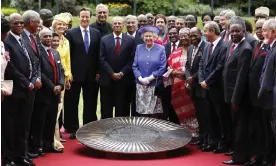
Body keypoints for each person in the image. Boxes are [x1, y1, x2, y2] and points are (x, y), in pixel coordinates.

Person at [2, 13, 37, 166]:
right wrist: (25, 82)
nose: (20, 26)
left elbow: (35, 60)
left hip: (29, 90)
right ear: (10, 25)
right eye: (16, 23)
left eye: (22, 23)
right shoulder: (6, 42)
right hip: (14, 91)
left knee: (24, 125)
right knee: (11, 126)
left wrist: (35, 79)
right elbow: (10, 68)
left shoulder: (25, 39)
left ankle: (21, 156)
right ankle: (9, 158)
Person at [64, 8, 101, 139]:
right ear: (78, 18)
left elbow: (98, 55)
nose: (84, 19)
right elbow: (68, 55)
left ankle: (88, 126)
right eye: (82, 17)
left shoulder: (96, 33)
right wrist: (69, 73)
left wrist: (98, 71)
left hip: (91, 75)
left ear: (90, 18)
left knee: (90, 102)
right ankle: (73, 128)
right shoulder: (70, 33)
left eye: (87, 17)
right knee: (72, 102)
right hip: (75, 74)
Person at [222, 16, 252, 165]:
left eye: (237, 31)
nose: (234, 34)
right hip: (229, 95)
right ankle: (240, 155)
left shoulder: (245, 49)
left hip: (238, 98)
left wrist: (235, 99)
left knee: (240, 128)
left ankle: (239, 158)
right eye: (231, 31)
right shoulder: (231, 46)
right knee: (235, 127)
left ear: (244, 32)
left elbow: (241, 76)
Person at [30, 28, 64, 156]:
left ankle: (49, 144)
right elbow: (40, 73)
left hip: (56, 93)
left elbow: (60, 70)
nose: (49, 39)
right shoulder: (37, 53)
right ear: (40, 38)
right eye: (45, 36)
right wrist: (52, 86)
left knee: (51, 119)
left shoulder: (55, 53)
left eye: (50, 36)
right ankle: (39, 146)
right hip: (44, 93)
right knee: (40, 121)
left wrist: (60, 85)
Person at [199, 21, 229, 153]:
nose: (203, 33)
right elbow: (201, 64)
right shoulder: (206, 46)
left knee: (221, 117)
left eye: (205, 30)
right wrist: (201, 80)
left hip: (217, 88)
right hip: (205, 88)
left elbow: (220, 67)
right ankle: (214, 141)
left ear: (212, 31)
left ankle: (223, 142)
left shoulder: (224, 46)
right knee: (210, 116)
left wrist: (208, 81)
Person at [99, 16, 136, 119]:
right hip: (108, 79)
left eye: (119, 23)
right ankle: (106, 130)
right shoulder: (104, 40)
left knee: (122, 107)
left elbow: (132, 59)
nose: (117, 25)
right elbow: (101, 59)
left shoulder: (131, 40)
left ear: (123, 26)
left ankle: (121, 131)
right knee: (106, 107)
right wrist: (112, 73)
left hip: (124, 80)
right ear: (112, 26)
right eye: (115, 23)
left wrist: (122, 73)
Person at [166, 28, 198, 137]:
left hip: (191, 85)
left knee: (193, 110)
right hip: (178, 87)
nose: (184, 38)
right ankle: (185, 133)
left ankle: (195, 133)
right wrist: (174, 71)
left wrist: (185, 75)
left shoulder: (194, 50)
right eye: (182, 36)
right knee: (181, 111)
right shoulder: (176, 52)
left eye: (186, 35)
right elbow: (169, 67)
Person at [245, 19, 268, 166]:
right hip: (253, 96)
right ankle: (259, 156)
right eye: (257, 28)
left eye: (262, 29)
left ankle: (267, 158)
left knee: (266, 130)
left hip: (265, 96)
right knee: (257, 128)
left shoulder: (270, 47)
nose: (259, 31)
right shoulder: (256, 45)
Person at [133, 25, 166, 119]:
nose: (148, 38)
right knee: (142, 112)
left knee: (154, 113)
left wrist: (150, 78)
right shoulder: (139, 48)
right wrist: (140, 78)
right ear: (143, 37)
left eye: (150, 36)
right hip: (141, 85)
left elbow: (162, 67)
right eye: (146, 36)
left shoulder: (161, 49)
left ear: (154, 37)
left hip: (155, 84)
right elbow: (135, 66)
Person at [258, 18, 276, 166]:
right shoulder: (271, 47)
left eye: (264, 30)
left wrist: (262, 93)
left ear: (273, 32)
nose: (262, 33)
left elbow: (269, 76)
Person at [51, 14, 72, 141]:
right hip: (53, 77)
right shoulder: (51, 39)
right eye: (59, 24)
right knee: (53, 107)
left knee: (59, 106)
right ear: (54, 25)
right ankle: (52, 137)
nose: (62, 27)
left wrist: (68, 77)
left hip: (63, 77)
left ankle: (56, 135)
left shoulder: (66, 41)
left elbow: (67, 60)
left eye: (64, 24)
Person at [185, 27, 207, 143]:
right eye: (191, 36)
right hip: (193, 87)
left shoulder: (206, 47)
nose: (193, 38)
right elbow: (187, 65)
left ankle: (206, 138)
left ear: (201, 34)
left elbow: (203, 67)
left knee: (205, 113)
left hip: (202, 86)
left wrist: (192, 78)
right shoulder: (189, 48)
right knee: (198, 113)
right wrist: (188, 76)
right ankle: (201, 136)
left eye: (195, 35)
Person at [163, 27, 180, 124]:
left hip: (180, 81)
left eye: (174, 33)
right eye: (170, 34)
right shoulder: (165, 46)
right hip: (167, 83)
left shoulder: (184, 46)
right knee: (168, 106)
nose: (172, 35)